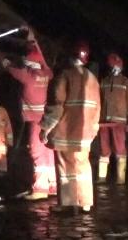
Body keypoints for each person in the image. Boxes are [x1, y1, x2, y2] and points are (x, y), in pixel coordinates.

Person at [0, 26, 54, 200]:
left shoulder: (26, 76)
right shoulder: (48, 73)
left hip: (34, 122)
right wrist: (33, 41)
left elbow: (6, 64)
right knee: (48, 153)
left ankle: (40, 189)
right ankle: (53, 186)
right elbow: (44, 61)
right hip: (48, 121)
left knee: (36, 153)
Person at [40, 40, 101, 213]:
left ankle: (68, 203)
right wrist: (93, 130)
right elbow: (97, 108)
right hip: (85, 134)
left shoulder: (64, 77)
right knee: (82, 166)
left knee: (65, 168)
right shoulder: (93, 79)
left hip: (65, 133)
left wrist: (46, 127)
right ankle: (86, 202)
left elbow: (56, 106)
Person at [97, 52, 128, 184]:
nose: (112, 69)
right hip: (103, 122)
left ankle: (120, 180)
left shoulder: (127, 83)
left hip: (119, 123)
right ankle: (101, 179)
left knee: (120, 150)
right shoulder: (103, 82)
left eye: (113, 66)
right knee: (104, 149)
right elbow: (98, 101)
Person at [0, 105, 14, 172]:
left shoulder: (2, 111)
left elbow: (9, 132)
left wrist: (10, 146)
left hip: (2, 155)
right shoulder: (1, 111)